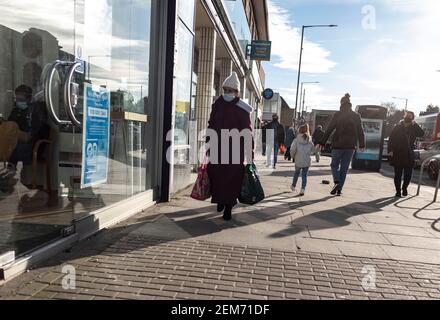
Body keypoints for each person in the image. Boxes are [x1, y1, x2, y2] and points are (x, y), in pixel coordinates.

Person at [206, 72, 254, 221]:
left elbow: (247, 132)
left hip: (235, 151)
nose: (227, 93)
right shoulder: (217, 105)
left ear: (236, 92)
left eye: (230, 90)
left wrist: (249, 153)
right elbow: (211, 125)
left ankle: (228, 207)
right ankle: (220, 200)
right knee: (216, 176)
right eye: (225, 90)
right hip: (217, 148)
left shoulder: (243, 109)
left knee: (232, 180)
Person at [318, 94, 365, 196]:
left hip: (338, 145)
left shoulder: (338, 114)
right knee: (344, 168)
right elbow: (360, 131)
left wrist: (322, 142)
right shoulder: (356, 115)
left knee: (334, 165)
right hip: (350, 146)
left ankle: (336, 181)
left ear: (341, 103)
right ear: (350, 104)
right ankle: (339, 189)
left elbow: (330, 129)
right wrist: (362, 144)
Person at [7, 85, 50, 173]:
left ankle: (10, 173)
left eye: (21, 99)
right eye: (17, 99)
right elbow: (9, 124)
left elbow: (33, 133)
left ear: (29, 98)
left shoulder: (36, 111)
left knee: (12, 149)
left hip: (30, 145)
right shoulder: (16, 110)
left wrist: (22, 134)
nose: (18, 102)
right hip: (15, 140)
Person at [388, 111, 424, 197]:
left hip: (409, 153)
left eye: (410, 116)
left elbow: (421, 134)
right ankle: (398, 191)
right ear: (404, 116)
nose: (408, 117)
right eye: (407, 115)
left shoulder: (414, 127)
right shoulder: (398, 126)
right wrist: (390, 150)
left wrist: (415, 124)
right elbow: (391, 139)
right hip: (398, 153)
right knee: (398, 174)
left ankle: (404, 188)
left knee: (408, 174)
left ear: (413, 118)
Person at [290, 124, 315, 196]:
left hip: (298, 159)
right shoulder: (309, 140)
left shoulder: (296, 140)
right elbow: (313, 150)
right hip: (306, 160)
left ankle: (293, 186)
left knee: (296, 173)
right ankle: (302, 189)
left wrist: (292, 156)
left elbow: (292, 149)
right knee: (304, 175)